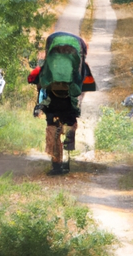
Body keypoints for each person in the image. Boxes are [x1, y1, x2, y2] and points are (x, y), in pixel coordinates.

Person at [28, 32, 95, 175]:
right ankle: (68, 153)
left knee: (52, 125)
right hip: (70, 98)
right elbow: (86, 87)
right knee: (70, 120)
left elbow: (34, 80)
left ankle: (56, 163)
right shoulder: (81, 67)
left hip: (52, 97)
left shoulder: (48, 67)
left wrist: (40, 100)